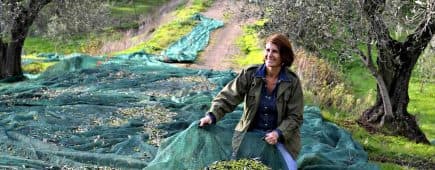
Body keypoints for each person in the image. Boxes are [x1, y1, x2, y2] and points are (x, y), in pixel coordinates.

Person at [199, 33, 304, 170]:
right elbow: (228, 96)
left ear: (284, 56)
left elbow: (295, 117)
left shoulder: (292, 82)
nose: (269, 55)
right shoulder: (250, 74)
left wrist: (278, 133)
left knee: (288, 168)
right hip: (249, 134)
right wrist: (211, 115)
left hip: (279, 140)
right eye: (267, 50)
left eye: (275, 51)